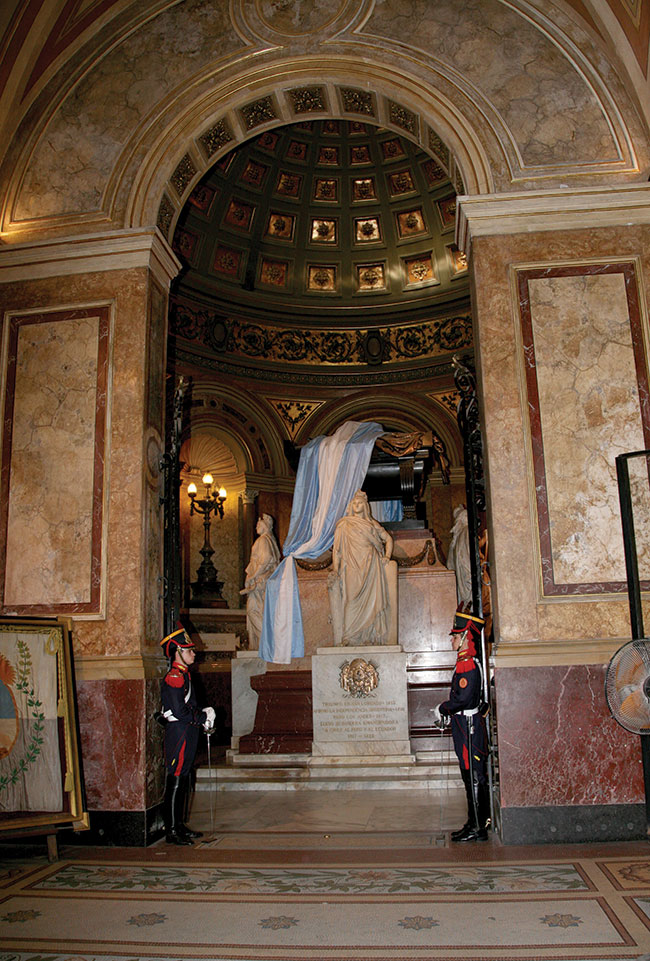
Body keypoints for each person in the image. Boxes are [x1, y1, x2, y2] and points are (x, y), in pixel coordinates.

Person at [433, 610, 490, 842]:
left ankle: (478, 826)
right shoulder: (465, 662)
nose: (452, 640)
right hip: (464, 724)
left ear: (466, 636)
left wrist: (444, 708)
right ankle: (473, 822)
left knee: (474, 774)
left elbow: (463, 699)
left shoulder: (467, 664)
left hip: (468, 726)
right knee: (469, 774)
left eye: (456, 636)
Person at [159, 626, 215, 845]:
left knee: (184, 777)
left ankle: (180, 824)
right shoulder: (174, 677)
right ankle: (172, 830)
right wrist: (202, 717)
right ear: (178, 653)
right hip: (180, 733)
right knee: (176, 777)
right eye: (188, 650)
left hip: (187, 731)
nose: (193, 654)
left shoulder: (184, 675)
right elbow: (179, 711)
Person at [329, 489, 394, 645]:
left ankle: (368, 636)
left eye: (360, 503)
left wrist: (387, 556)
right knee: (351, 599)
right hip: (351, 565)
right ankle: (349, 636)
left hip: (371, 565)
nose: (357, 505)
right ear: (351, 506)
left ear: (365, 506)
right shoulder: (344, 525)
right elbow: (337, 551)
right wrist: (336, 570)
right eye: (355, 503)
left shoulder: (371, 524)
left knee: (371, 600)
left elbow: (388, 539)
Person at [240, 514, 281, 649]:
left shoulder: (263, 540)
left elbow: (266, 559)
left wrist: (253, 575)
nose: (256, 527)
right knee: (262, 612)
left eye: (259, 525)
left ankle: (267, 642)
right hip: (264, 582)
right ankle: (264, 642)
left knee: (253, 611)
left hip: (259, 582)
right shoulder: (271, 540)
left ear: (265, 526)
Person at [447, 505, 472, 609]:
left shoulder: (456, 538)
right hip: (467, 575)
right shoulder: (466, 532)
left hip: (462, 578)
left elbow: (450, 565)